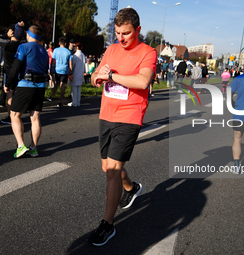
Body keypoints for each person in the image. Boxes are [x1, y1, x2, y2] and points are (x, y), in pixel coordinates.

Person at [89, 7, 156, 246]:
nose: (121, 38)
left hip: (129, 117)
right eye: (117, 33)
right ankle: (131, 188)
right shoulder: (111, 49)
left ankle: (107, 225)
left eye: (126, 33)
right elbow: (95, 77)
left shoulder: (148, 52)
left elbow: (143, 80)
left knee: (113, 171)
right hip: (106, 114)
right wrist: (98, 77)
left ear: (137, 30)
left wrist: (112, 76)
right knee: (107, 167)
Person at [4, 25, 49, 158]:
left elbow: (16, 67)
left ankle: (20, 146)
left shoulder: (24, 47)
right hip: (40, 87)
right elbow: (46, 69)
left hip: (26, 85)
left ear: (29, 34)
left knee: (14, 115)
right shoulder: (44, 51)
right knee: (35, 118)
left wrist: (9, 84)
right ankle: (33, 148)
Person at [0, 22, 24, 124]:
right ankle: (17, 115)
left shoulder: (8, 44)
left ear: (11, 33)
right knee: (16, 95)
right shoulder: (22, 45)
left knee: (9, 96)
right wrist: (22, 28)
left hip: (8, 72)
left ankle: (11, 117)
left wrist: (6, 35)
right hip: (19, 73)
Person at [47, 37, 72, 107]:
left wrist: (52, 68)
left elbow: (52, 60)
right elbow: (70, 63)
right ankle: (60, 101)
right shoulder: (68, 52)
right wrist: (71, 71)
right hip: (64, 70)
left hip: (57, 69)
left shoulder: (55, 50)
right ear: (65, 43)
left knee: (57, 83)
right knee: (63, 86)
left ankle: (51, 96)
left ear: (59, 43)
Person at [68, 42, 85, 107]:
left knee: (74, 88)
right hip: (80, 73)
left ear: (77, 47)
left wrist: (71, 71)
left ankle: (74, 102)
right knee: (78, 88)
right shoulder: (83, 55)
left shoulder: (75, 55)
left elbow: (73, 64)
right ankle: (78, 102)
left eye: (75, 46)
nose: (74, 47)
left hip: (75, 73)